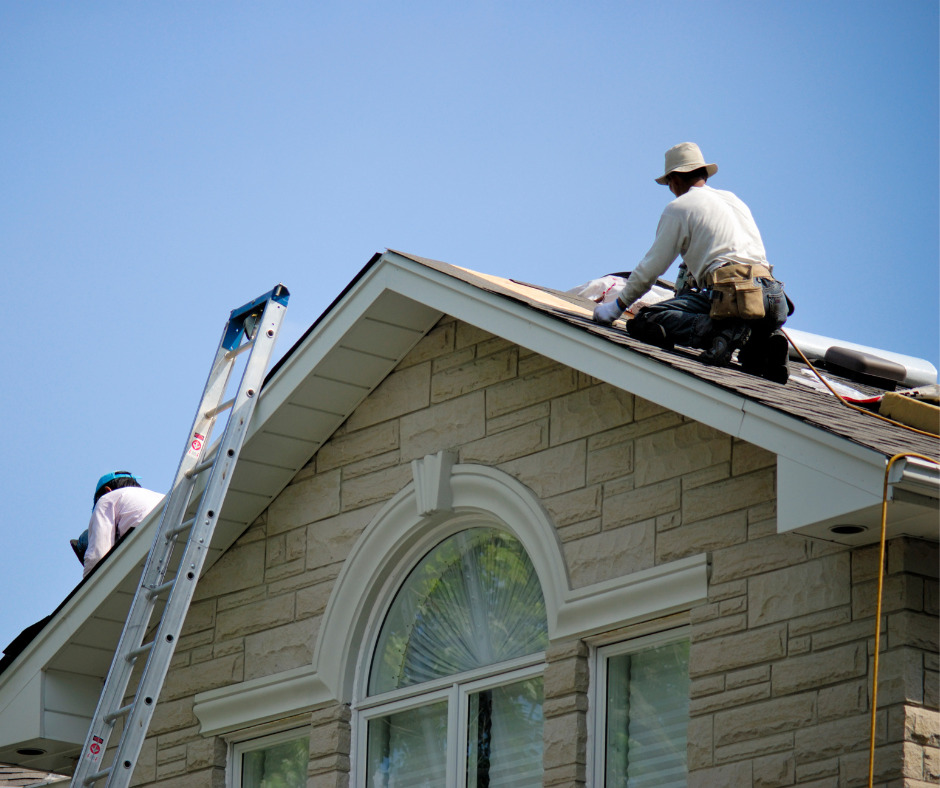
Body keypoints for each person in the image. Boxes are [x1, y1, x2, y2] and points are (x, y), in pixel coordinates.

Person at [593, 142, 792, 383]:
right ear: (703, 173)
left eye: (669, 185)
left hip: (733, 296)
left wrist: (616, 307)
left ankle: (721, 332)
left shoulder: (680, 207)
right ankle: (763, 342)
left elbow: (651, 269)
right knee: (750, 358)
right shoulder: (733, 200)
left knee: (647, 319)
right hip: (773, 298)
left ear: (675, 179)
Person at [72, 471, 164, 578]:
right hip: (169, 536)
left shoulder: (107, 498)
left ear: (107, 490)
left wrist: (88, 587)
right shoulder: (156, 495)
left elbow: (97, 554)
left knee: (85, 539)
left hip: (144, 543)